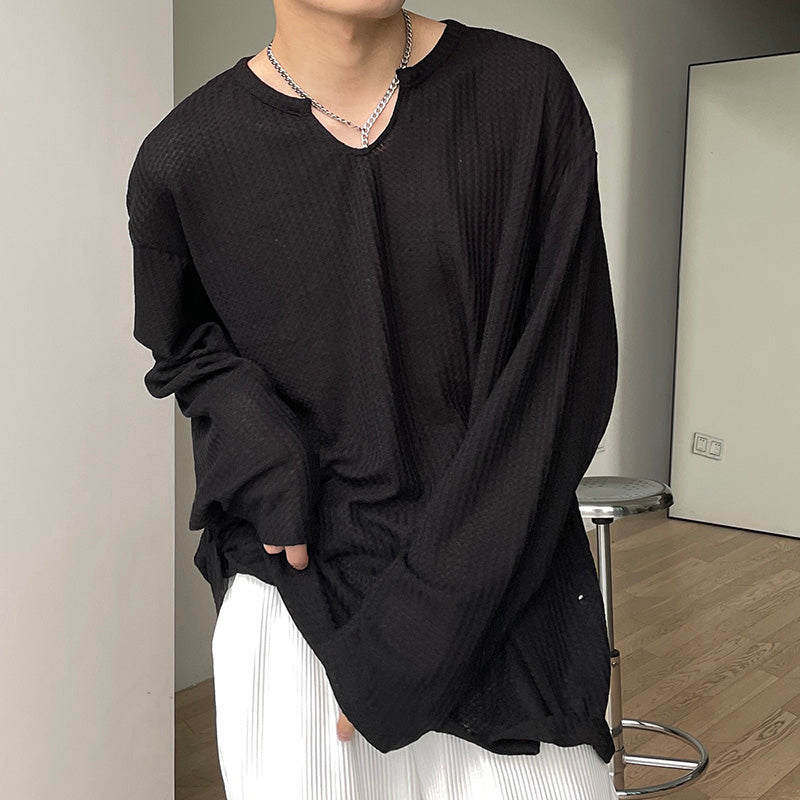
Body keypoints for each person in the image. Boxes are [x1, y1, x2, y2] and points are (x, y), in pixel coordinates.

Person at [126, 3, 620, 798]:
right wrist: (258, 441)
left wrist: (413, 640)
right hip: (301, 612)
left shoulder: (527, 94)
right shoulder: (180, 161)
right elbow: (181, 344)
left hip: (506, 593)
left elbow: (562, 380)